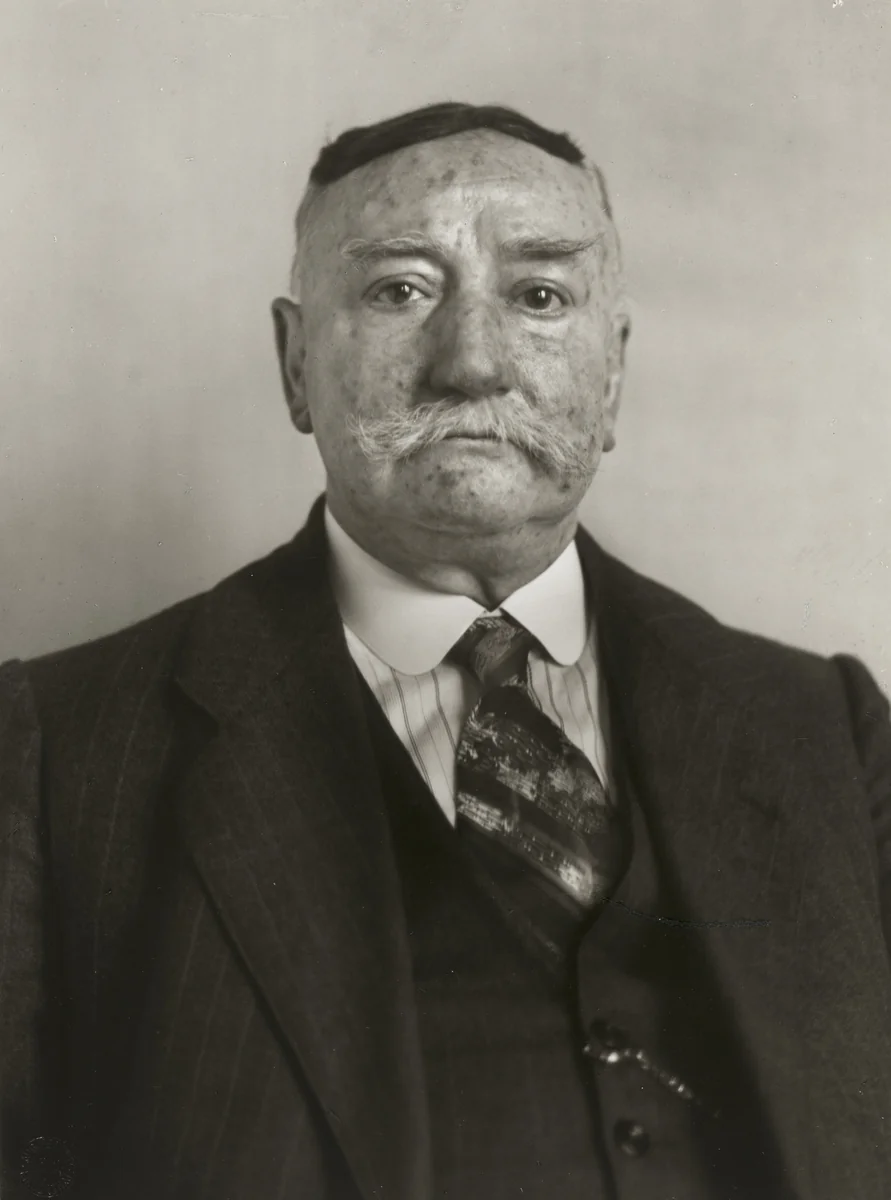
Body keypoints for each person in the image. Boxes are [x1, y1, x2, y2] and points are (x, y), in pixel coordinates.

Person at [1, 101, 890, 1200]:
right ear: (294, 364)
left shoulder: (825, 728)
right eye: (399, 291)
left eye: (539, 296)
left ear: (612, 373)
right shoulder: (58, 749)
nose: (472, 363)